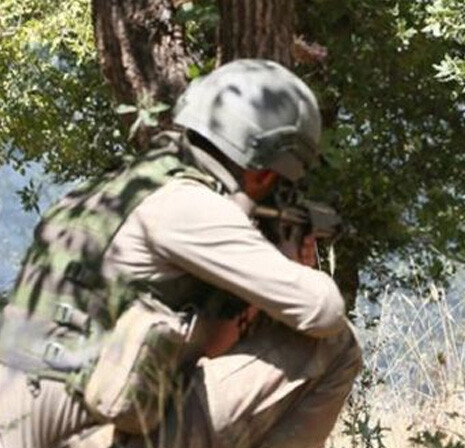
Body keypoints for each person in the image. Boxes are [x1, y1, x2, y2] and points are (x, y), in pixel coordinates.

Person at [0, 59, 362, 448]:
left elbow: (207, 347)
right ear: (262, 174)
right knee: (337, 344)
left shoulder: (111, 191)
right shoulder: (190, 206)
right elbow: (323, 311)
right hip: (82, 432)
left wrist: (254, 297)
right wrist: (289, 269)